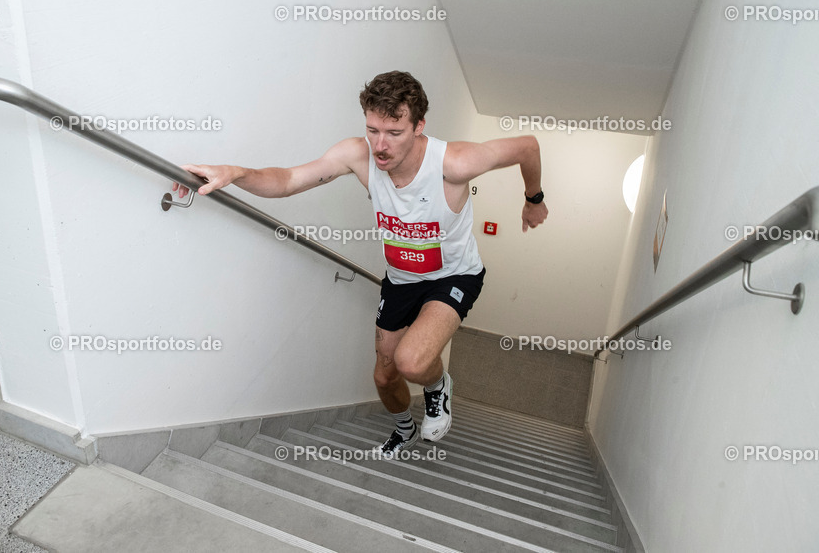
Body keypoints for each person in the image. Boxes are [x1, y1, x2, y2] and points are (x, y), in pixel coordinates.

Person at [172, 70, 547, 455]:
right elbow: (287, 180)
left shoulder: (455, 163)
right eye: (373, 130)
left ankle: (438, 387)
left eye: (394, 133)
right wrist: (235, 173)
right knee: (384, 377)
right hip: (401, 278)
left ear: (419, 126)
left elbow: (528, 147)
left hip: (453, 275)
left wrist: (533, 199)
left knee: (412, 362)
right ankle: (405, 430)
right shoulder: (358, 155)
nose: (380, 145)